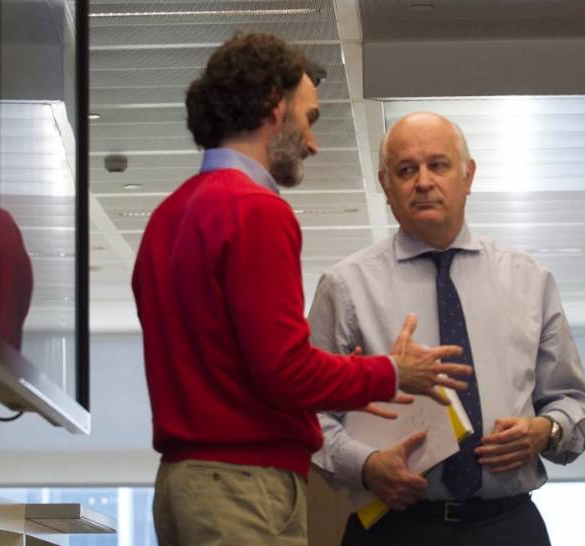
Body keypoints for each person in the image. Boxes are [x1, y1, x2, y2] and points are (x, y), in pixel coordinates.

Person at [131, 34, 471, 546]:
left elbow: (242, 363)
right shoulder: (257, 211)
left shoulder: (167, 216)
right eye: (309, 118)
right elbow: (285, 372)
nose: (313, 143)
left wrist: (351, 377)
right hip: (243, 490)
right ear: (276, 106)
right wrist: (394, 372)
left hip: (185, 484)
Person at [309, 112, 585, 546]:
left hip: (509, 525)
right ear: (386, 186)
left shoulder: (529, 279)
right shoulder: (345, 287)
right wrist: (366, 465)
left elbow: (572, 402)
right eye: (407, 170)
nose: (423, 181)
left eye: (438, 165)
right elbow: (307, 412)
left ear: (468, 175)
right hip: (395, 528)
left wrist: (546, 431)